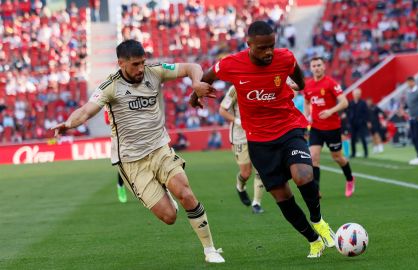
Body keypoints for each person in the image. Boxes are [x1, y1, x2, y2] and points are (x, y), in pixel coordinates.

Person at [52, 40, 225, 263]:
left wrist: (196, 83)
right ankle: (165, 194)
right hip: (132, 161)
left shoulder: (155, 72)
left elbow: (191, 67)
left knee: (187, 193)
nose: (141, 69)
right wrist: (68, 123)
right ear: (121, 63)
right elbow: (85, 111)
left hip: (160, 148)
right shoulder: (110, 86)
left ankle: (209, 249)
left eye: (143, 63)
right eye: (135, 65)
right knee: (169, 216)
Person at [191, 21, 334, 258]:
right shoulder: (231, 64)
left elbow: (298, 75)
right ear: (249, 45)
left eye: (271, 46)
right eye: (262, 48)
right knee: (281, 196)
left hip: (289, 128)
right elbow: (207, 77)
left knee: (304, 175)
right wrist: (194, 95)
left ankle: (318, 220)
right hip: (258, 141)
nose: (269, 52)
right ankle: (313, 239)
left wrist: (299, 84)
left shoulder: (284, 57)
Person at [302, 57, 355, 198]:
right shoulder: (308, 85)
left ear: (324, 67)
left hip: (332, 127)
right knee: (313, 157)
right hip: (316, 128)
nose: (316, 68)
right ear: (311, 68)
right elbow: (307, 102)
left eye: (319, 65)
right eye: (314, 66)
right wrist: (307, 115)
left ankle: (350, 179)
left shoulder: (331, 83)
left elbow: (344, 102)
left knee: (337, 157)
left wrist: (330, 111)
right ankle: (316, 190)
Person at [219, 86, 265, 214]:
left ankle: (256, 203)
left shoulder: (261, 83)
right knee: (246, 173)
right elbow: (222, 110)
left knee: (260, 170)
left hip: (258, 133)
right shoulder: (235, 88)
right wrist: (237, 120)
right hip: (240, 136)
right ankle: (240, 186)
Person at [104, 108, 127, 203]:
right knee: (123, 164)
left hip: (135, 133)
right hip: (119, 137)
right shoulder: (109, 99)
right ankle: (120, 186)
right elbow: (106, 120)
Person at [405, 76, 418, 165]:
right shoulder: (408, 92)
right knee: (414, 138)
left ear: (413, 82)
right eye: (408, 82)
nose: (409, 84)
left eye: (410, 82)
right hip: (411, 118)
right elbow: (409, 105)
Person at [348, 88, 369, 158]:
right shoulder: (350, 103)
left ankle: (366, 153)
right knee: (353, 139)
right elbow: (348, 112)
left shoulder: (363, 103)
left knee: (363, 138)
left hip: (361, 123)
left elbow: (366, 113)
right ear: (353, 94)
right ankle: (353, 153)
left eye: (358, 94)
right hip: (353, 123)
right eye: (356, 94)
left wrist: (364, 121)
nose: (357, 95)